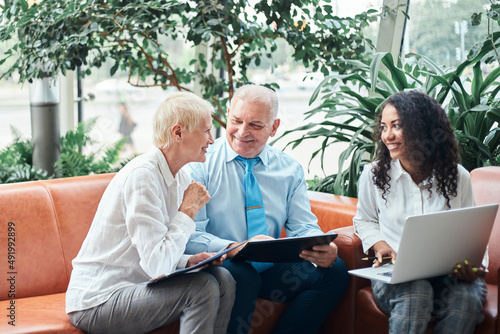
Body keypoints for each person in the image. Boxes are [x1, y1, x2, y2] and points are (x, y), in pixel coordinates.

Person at [184, 84, 349, 334]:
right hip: (222, 264)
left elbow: (303, 227)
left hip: (271, 269)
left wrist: (324, 249)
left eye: (255, 125)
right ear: (227, 114)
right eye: (236, 120)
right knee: (242, 274)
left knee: (335, 271)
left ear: (274, 127)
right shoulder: (200, 165)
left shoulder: (289, 170)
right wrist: (234, 248)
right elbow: (191, 235)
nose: (242, 132)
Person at [66, 92, 236, 334]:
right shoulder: (142, 176)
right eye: (206, 130)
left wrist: (187, 261)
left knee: (223, 279)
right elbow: (157, 266)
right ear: (178, 133)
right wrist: (187, 212)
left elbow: (154, 251)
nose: (212, 139)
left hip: (134, 287)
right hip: (97, 300)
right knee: (202, 288)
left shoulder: (180, 177)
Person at [353, 90, 488, 334]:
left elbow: (474, 232)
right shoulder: (373, 175)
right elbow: (364, 220)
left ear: (421, 127)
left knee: (465, 297)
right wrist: (380, 245)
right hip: (395, 275)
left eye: (397, 126)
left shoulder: (458, 177)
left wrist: (476, 267)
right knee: (416, 292)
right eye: (384, 127)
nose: (387, 135)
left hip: (448, 275)